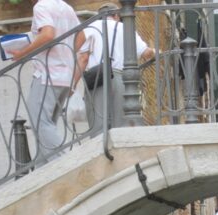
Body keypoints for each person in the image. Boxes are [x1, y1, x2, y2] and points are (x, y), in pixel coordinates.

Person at [9, 0, 85, 165]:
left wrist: (22, 54)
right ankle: (44, 169)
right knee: (47, 125)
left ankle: (65, 165)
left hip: (47, 75)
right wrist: (65, 54)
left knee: (40, 122)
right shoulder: (66, 7)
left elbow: (48, 34)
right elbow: (81, 37)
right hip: (65, 75)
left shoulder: (41, 6)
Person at [77, 3, 155, 137]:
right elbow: (146, 53)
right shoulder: (125, 28)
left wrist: (74, 84)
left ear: (99, 16)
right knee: (120, 124)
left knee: (98, 123)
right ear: (117, 15)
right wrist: (156, 51)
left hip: (96, 79)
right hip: (121, 78)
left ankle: (101, 152)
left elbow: (83, 58)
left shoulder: (91, 27)